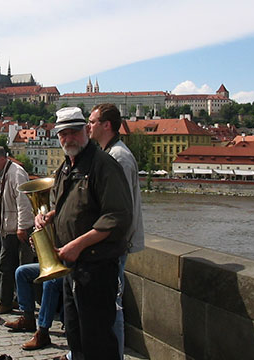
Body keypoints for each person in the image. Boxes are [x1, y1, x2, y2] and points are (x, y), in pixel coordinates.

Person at [35, 107, 133, 360]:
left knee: (97, 339)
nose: (68, 139)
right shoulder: (67, 166)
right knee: (75, 336)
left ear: (86, 131)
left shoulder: (103, 165)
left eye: (74, 132)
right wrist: (48, 215)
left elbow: (117, 216)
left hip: (96, 266)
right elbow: (67, 205)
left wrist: (78, 244)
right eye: (63, 134)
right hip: (72, 266)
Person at [89, 103, 145, 358]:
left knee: (113, 306)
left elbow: (119, 210)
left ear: (106, 125)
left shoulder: (118, 157)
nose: (88, 126)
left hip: (113, 244)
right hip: (106, 243)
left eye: (92, 122)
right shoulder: (108, 152)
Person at [0, 146, 34, 314]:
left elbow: (23, 201)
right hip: (8, 227)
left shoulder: (16, 173)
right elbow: (5, 194)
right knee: (8, 266)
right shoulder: (3, 172)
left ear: (1, 158)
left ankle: (12, 302)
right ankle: (12, 300)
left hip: (15, 228)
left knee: (15, 266)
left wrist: (22, 227)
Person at [4, 263, 63, 351]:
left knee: (51, 281)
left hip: (73, 267)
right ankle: (28, 319)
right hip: (56, 264)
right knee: (21, 272)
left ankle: (43, 332)